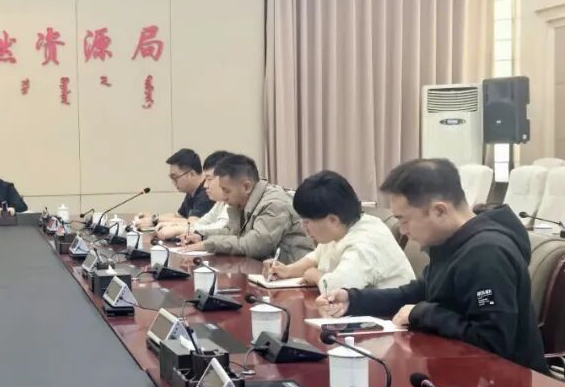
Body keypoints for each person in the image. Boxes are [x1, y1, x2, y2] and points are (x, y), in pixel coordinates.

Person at [316, 159, 547, 372]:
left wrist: (423, 313)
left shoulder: (488, 254)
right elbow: (417, 292)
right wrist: (353, 299)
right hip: (459, 368)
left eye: (404, 220)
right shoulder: (452, 243)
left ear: (439, 210)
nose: (403, 230)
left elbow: (492, 342)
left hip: (505, 384)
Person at [264, 170, 414, 293]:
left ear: (333, 220)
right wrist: (288, 270)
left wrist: (316, 276)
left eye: (307, 221)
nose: (304, 227)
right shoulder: (341, 228)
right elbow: (317, 256)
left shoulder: (365, 241)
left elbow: (340, 289)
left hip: (390, 316)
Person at [182, 153, 313, 261]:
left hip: (293, 276)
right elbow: (232, 231)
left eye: (226, 191)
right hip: (265, 271)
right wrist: (201, 236)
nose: (224, 197)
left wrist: (208, 244)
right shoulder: (243, 200)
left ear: (246, 186)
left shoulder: (274, 203)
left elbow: (255, 245)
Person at [133, 149, 211, 236]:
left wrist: (154, 220)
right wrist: (153, 217)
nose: (173, 183)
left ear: (191, 174)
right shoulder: (192, 191)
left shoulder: (207, 192)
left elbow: (192, 223)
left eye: (175, 177)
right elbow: (178, 216)